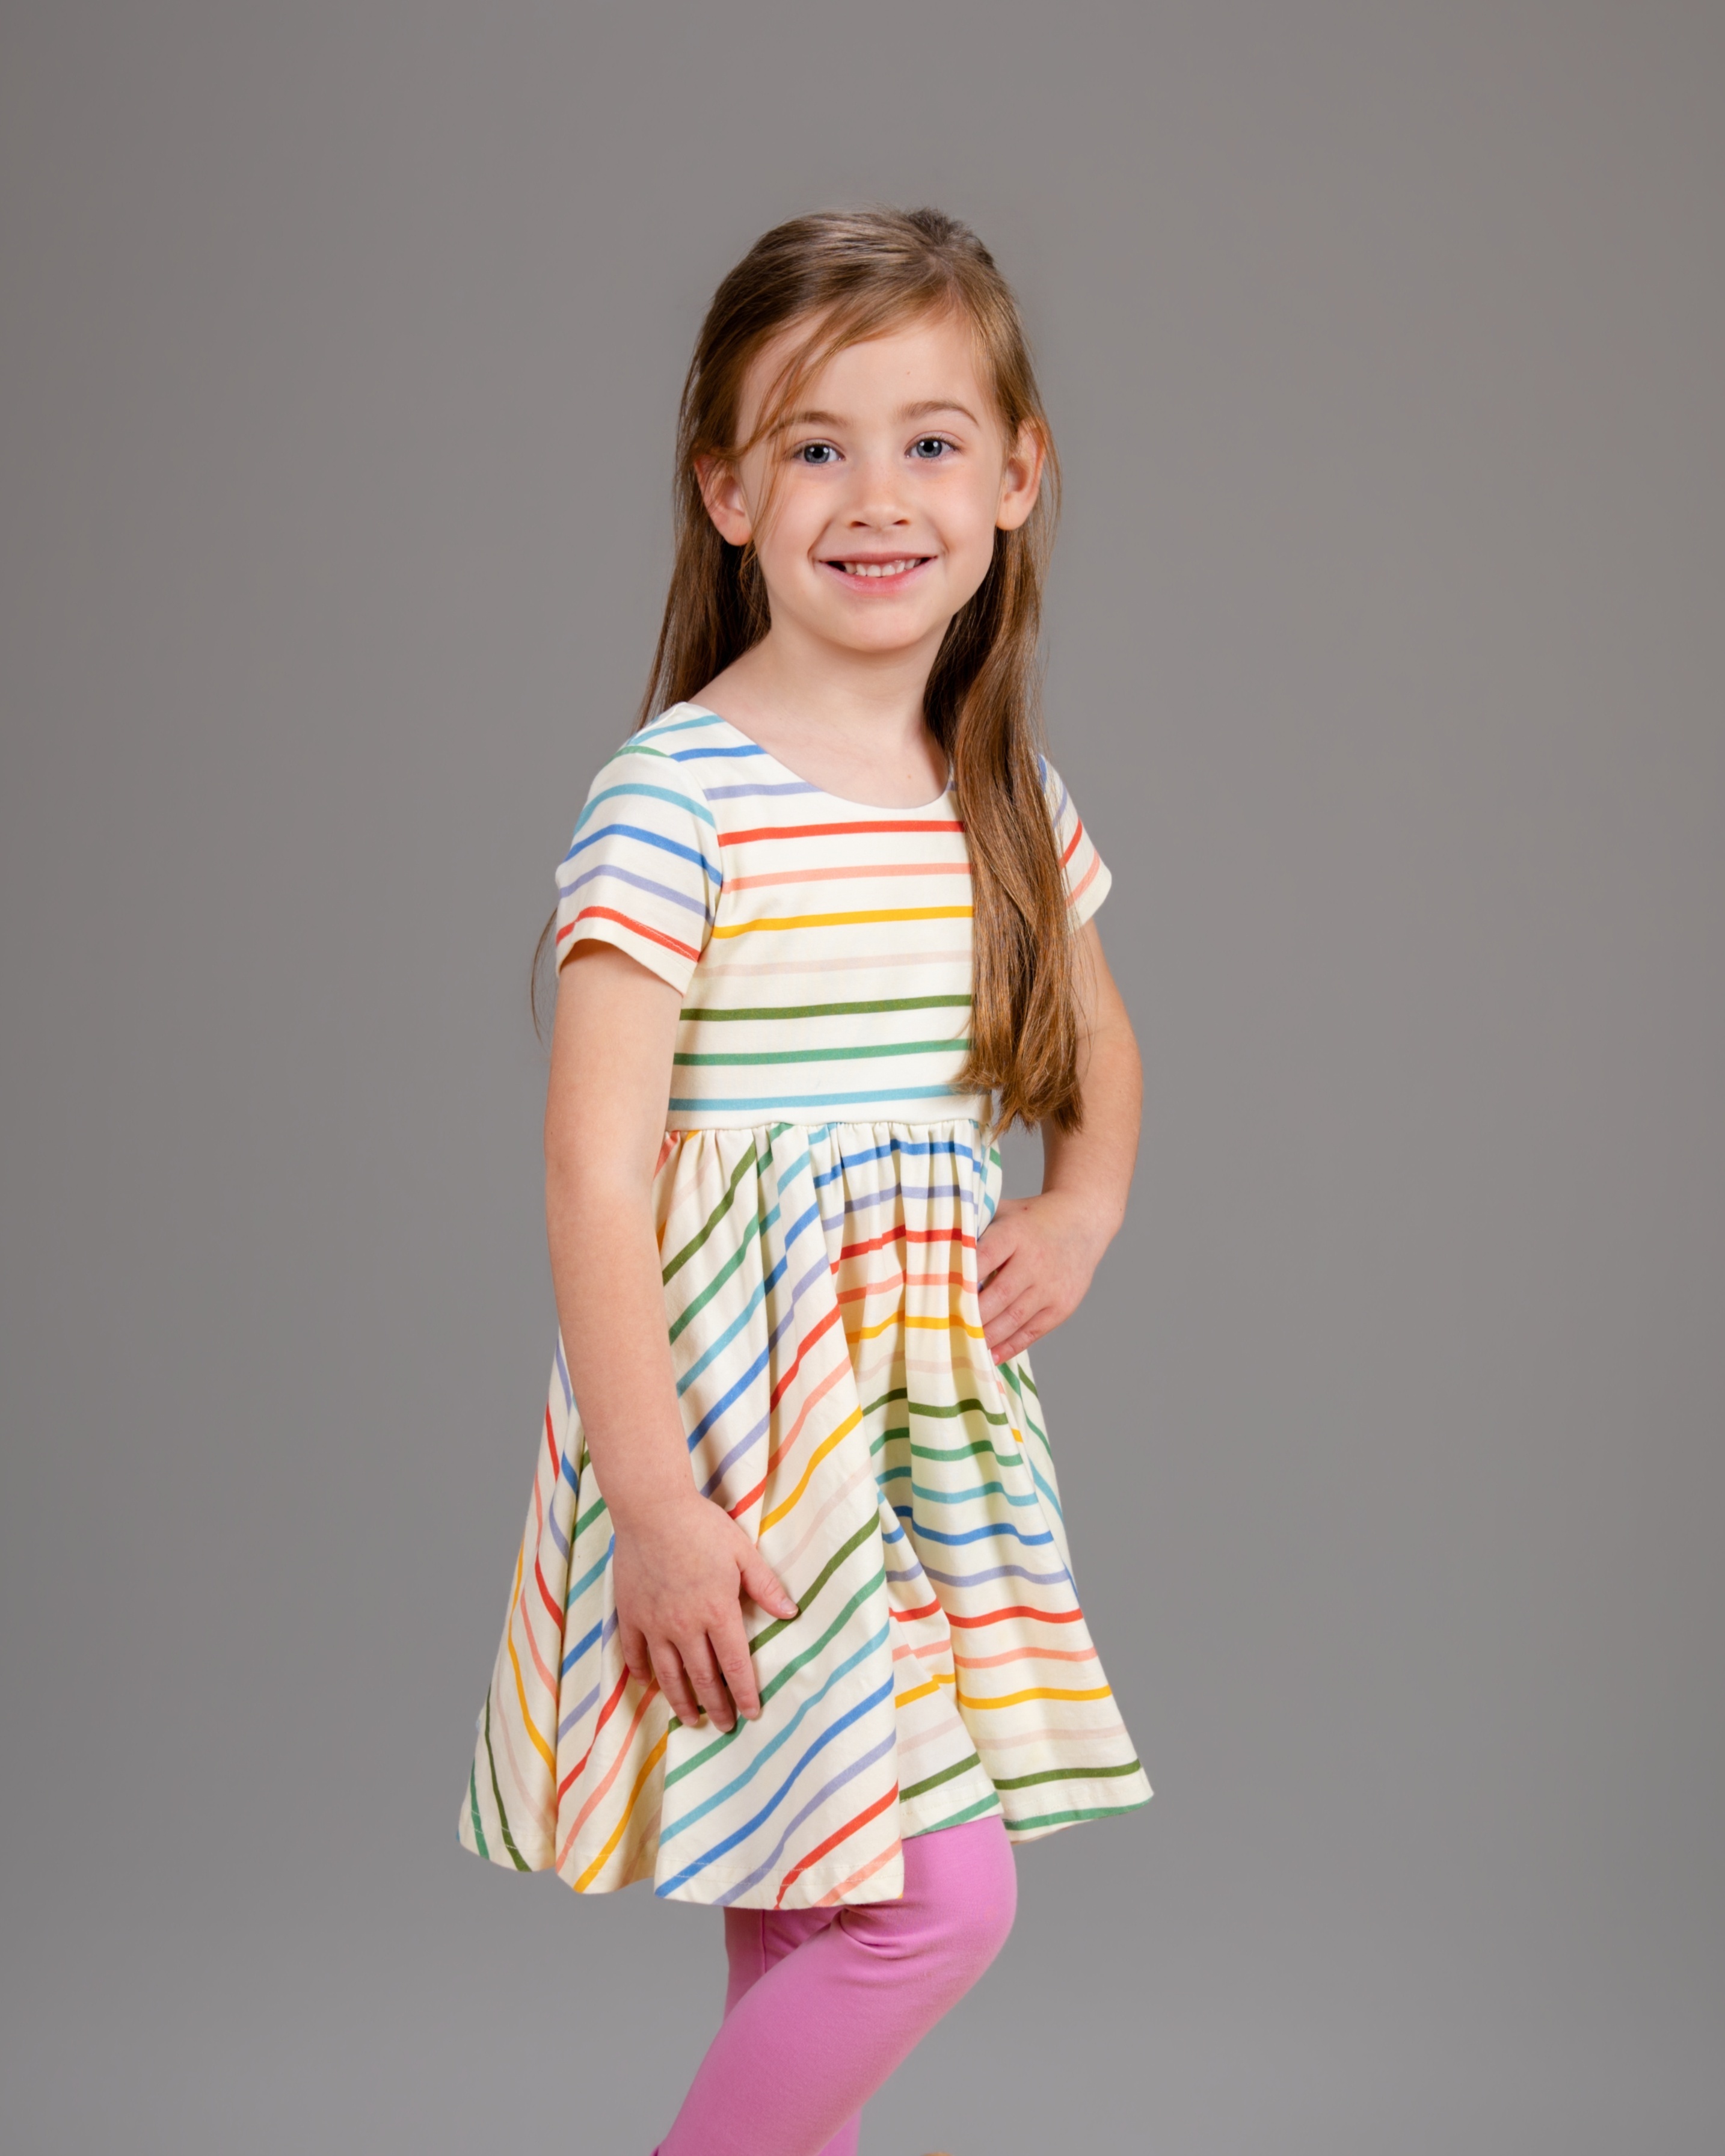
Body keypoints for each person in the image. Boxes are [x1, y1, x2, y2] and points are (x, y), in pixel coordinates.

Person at [458, 205, 1151, 2156]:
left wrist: (1079, 1205)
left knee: (825, 1893)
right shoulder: (676, 792)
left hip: (907, 1430)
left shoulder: (1000, 796)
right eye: (815, 445)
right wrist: (655, 1501)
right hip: (736, 1442)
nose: (877, 495)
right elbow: (591, 1167)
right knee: (932, 1904)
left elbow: (1100, 1054)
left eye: (931, 440)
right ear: (730, 493)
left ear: (1016, 476)